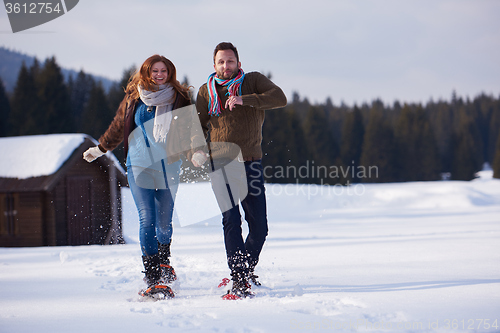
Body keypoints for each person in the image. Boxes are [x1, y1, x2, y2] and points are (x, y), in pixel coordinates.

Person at [83, 55, 192, 298]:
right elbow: (118, 125)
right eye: (155, 70)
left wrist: (195, 152)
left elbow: (190, 129)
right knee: (147, 219)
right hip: (139, 164)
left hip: (169, 167)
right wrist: (100, 148)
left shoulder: (180, 98)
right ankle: (152, 277)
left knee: (164, 224)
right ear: (146, 72)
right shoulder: (135, 95)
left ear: (170, 73)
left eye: (164, 70)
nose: (159, 74)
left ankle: (164, 260)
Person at [192, 42, 287, 298]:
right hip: (220, 163)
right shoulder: (205, 91)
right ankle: (239, 279)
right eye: (221, 62)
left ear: (238, 63)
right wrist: (197, 150)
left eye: (230, 61)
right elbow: (197, 126)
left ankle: (243, 271)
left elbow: (280, 98)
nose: (226, 66)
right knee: (231, 220)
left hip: (250, 161)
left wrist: (245, 99)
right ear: (214, 66)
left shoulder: (253, 81)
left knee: (260, 228)